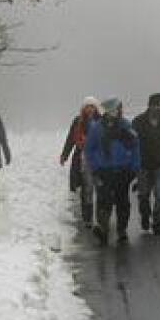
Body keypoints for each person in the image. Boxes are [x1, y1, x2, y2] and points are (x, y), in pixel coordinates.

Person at [85, 97, 140, 245]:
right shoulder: (97, 128)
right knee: (104, 201)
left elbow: (136, 148)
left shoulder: (127, 126)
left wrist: (134, 169)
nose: (119, 111)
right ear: (110, 111)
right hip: (104, 171)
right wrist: (95, 169)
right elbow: (89, 150)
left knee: (122, 202)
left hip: (123, 171)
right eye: (117, 109)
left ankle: (122, 230)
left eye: (119, 109)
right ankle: (103, 230)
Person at [132, 93, 160, 235]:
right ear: (149, 105)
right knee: (143, 195)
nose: (157, 108)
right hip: (143, 165)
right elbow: (132, 142)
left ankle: (158, 224)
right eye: (155, 105)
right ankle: (145, 216)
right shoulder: (138, 122)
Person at [61, 97, 101, 227]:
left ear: (96, 108)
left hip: (99, 158)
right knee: (86, 188)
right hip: (82, 158)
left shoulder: (101, 121)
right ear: (83, 108)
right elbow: (70, 139)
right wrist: (64, 155)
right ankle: (87, 217)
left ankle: (102, 216)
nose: (90, 109)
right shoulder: (78, 122)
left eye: (92, 106)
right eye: (87, 106)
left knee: (101, 188)